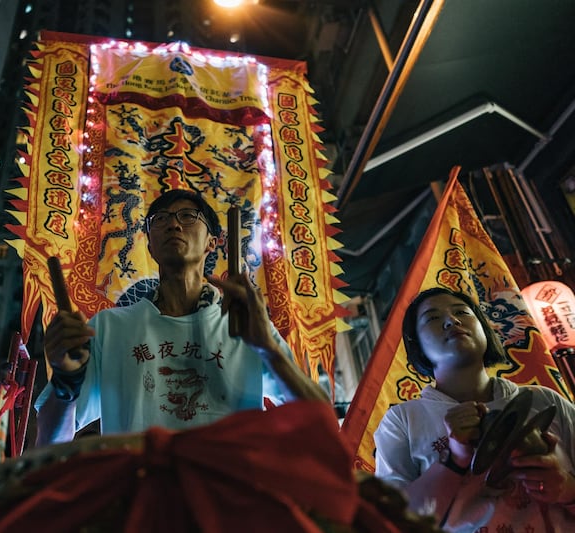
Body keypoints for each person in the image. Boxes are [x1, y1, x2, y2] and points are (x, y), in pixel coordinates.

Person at [35, 189, 327, 445]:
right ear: (149, 244)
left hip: (233, 498)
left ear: (212, 242)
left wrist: (269, 348)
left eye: (188, 216)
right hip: (142, 498)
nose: (173, 224)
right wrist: (65, 378)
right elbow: (50, 443)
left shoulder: (244, 324)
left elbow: (321, 424)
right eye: (159, 220)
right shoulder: (109, 328)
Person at [374, 287, 575, 531]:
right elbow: (391, 522)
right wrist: (454, 460)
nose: (452, 320)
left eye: (462, 312)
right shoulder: (402, 421)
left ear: (484, 328)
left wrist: (566, 489)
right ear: (416, 345)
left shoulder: (545, 401)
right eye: (433, 318)